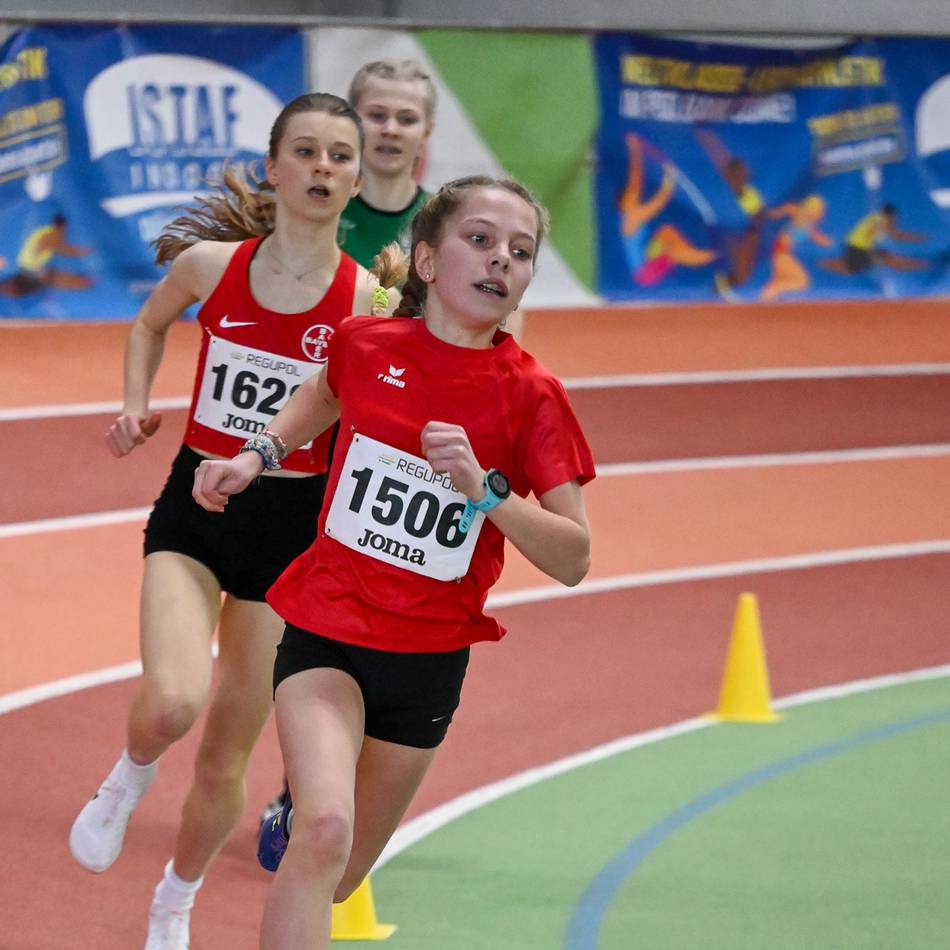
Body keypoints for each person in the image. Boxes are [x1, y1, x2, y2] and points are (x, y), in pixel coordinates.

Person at [192, 175, 595, 950]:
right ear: (427, 262)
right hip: (326, 630)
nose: (500, 260)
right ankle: (309, 809)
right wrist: (256, 454)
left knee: (339, 873)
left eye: (520, 251)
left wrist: (484, 492)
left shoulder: (533, 395)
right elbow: (321, 393)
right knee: (324, 830)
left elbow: (574, 557)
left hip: (428, 661)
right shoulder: (366, 344)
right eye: (479, 240)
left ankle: (305, 818)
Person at [68, 92, 395, 950]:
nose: (324, 169)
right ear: (276, 168)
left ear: (358, 179)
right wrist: (136, 407)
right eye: (309, 153)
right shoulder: (214, 267)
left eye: (340, 157)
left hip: (290, 537)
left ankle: (175, 901)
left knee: (227, 756)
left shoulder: (366, 299)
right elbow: (149, 322)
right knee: (173, 702)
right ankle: (127, 777)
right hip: (196, 510)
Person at [260, 58, 438, 828]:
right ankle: (301, 791)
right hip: (305, 469)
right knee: (306, 639)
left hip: (396, 477)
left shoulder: (453, 225)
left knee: (390, 643)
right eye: (378, 115)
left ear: (426, 134)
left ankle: (333, 799)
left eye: (407, 117)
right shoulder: (316, 205)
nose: (390, 129)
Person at [619, 132, 715, 288]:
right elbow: (656, 198)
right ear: (623, 203)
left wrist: (635, 150)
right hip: (645, 273)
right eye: (630, 196)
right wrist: (669, 178)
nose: (635, 195)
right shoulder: (632, 216)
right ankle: (712, 258)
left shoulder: (630, 212)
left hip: (648, 259)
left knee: (667, 232)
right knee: (673, 251)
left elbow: (635, 183)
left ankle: (705, 256)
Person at [819, 202, 927, 276]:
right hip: (857, 248)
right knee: (888, 261)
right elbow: (894, 235)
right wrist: (917, 238)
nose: (896, 220)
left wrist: (916, 238)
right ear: (891, 215)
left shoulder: (878, 217)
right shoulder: (881, 220)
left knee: (853, 268)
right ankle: (924, 267)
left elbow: (894, 235)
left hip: (854, 247)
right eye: (895, 218)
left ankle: (822, 264)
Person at [0, 212, 93, 297]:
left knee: (20, 289)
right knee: (72, 282)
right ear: (63, 227)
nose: (66, 233)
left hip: (27, 270)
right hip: (29, 270)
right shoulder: (52, 234)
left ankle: (87, 283)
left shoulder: (46, 232)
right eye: (66, 229)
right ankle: (89, 283)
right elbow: (62, 249)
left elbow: (54, 248)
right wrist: (83, 252)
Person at [759, 194, 832, 302]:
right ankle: (770, 293)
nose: (822, 214)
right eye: (820, 211)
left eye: (822, 211)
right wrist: (773, 213)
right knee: (802, 281)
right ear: (813, 210)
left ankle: (768, 297)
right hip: (781, 254)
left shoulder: (809, 227)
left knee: (782, 280)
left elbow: (818, 239)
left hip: (781, 254)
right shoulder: (801, 217)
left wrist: (826, 242)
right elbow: (789, 208)